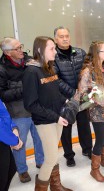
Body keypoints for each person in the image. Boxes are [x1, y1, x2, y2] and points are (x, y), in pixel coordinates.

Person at [22, 36, 72, 190]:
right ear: (39, 50)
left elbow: (55, 93)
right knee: (50, 158)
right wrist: (55, 117)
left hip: (57, 118)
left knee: (53, 154)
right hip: (45, 121)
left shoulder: (49, 67)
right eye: (51, 48)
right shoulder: (31, 72)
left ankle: (56, 186)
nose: (55, 52)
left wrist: (66, 101)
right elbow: (31, 104)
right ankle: (41, 187)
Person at [0, 37, 44, 183]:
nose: (21, 51)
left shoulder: (30, 60)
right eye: (17, 48)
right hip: (19, 112)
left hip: (36, 107)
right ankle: (22, 170)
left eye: (21, 46)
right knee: (20, 142)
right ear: (7, 53)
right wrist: (25, 88)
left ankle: (41, 161)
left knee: (40, 138)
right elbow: (3, 95)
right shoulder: (1, 68)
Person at [78, 41, 104, 183]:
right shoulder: (88, 71)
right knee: (100, 139)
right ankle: (94, 170)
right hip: (97, 112)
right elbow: (82, 95)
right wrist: (99, 97)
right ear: (97, 53)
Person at [53, 26, 93, 167]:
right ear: (56, 39)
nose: (65, 39)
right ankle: (69, 155)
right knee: (66, 127)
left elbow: (87, 71)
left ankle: (88, 150)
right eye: (61, 36)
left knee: (84, 125)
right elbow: (55, 79)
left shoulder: (79, 52)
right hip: (64, 99)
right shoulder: (54, 56)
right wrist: (72, 93)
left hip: (82, 96)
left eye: (67, 36)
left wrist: (84, 89)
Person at [0, 99, 23, 191]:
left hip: (4, 138)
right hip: (2, 137)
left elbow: (3, 112)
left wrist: (13, 127)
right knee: (2, 176)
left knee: (11, 169)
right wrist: (14, 140)